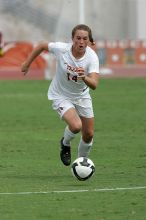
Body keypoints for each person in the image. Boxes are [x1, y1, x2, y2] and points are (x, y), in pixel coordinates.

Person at [21, 24, 100, 166]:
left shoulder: (92, 58)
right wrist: (27, 63)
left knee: (88, 134)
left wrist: (84, 77)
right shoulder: (62, 49)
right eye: (78, 38)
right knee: (76, 126)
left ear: (89, 40)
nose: (81, 42)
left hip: (82, 96)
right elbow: (42, 45)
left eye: (84, 39)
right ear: (72, 39)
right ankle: (65, 143)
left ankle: (81, 163)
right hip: (60, 94)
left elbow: (94, 84)